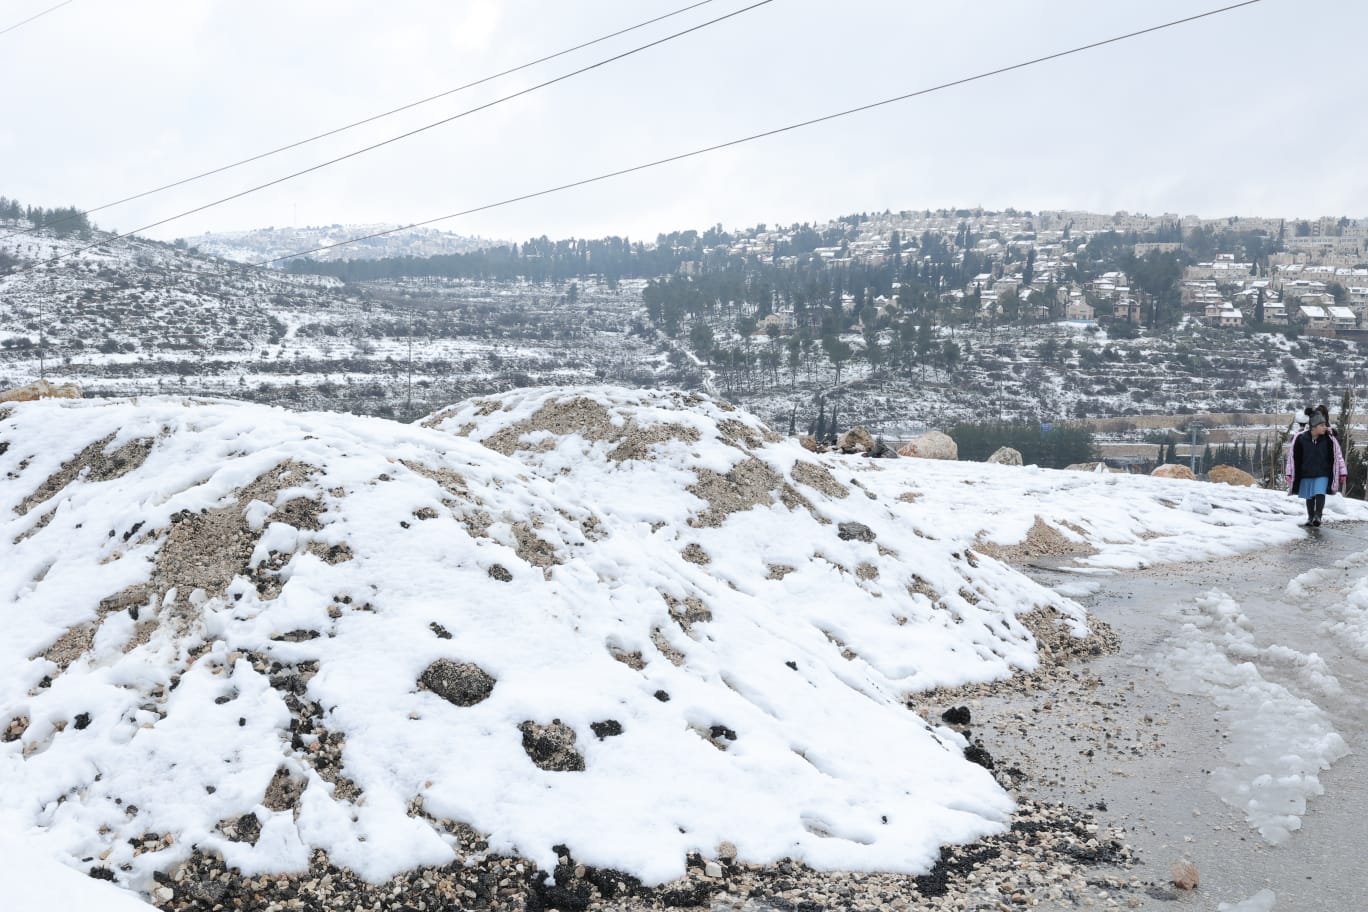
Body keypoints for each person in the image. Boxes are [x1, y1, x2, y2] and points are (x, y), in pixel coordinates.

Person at [1285, 411, 1347, 526]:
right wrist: (1289, 473)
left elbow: (1338, 456)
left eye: (1325, 425)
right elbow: (1292, 457)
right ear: (1314, 427)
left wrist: (1342, 473)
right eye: (1322, 425)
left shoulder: (1329, 439)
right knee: (1310, 496)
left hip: (1323, 472)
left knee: (1319, 493)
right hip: (1306, 472)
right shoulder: (1301, 439)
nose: (1325, 427)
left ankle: (1318, 516)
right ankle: (1310, 517)